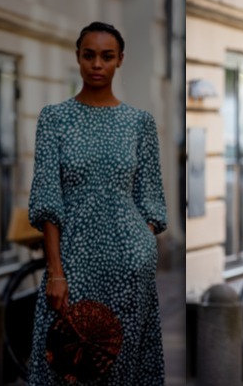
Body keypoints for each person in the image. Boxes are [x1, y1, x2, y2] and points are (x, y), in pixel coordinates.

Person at [28, 21, 167, 385]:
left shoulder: (139, 123)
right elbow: (46, 199)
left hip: (128, 267)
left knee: (119, 365)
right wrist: (56, 270)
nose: (97, 65)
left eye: (107, 56)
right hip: (72, 262)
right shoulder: (54, 119)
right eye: (89, 55)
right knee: (66, 362)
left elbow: (151, 200)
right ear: (77, 57)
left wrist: (142, 251)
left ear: (120, 60)